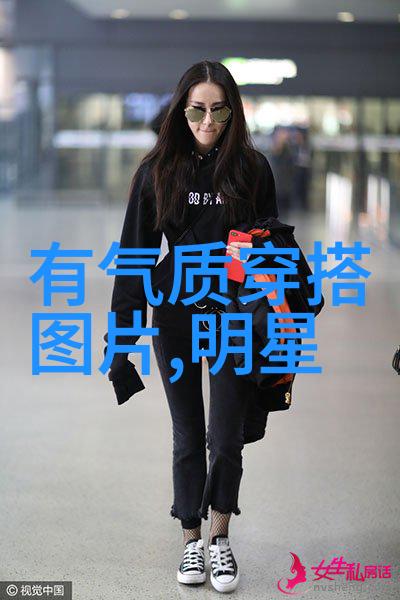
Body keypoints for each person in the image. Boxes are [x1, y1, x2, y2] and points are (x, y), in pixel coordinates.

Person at [106, 60, 278, 593]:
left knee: (225, 438)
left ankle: (219, 538)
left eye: (219, 110)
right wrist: (121, 344)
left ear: (233, 112)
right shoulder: (157, 172)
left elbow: (274, 251)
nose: (207, 121)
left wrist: (281, 329)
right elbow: (134, 259)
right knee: (187, 436)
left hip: (233, 318)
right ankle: (190, 541)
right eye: (197, 110)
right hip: (176, 318)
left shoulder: (253, 170)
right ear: (181, 111)